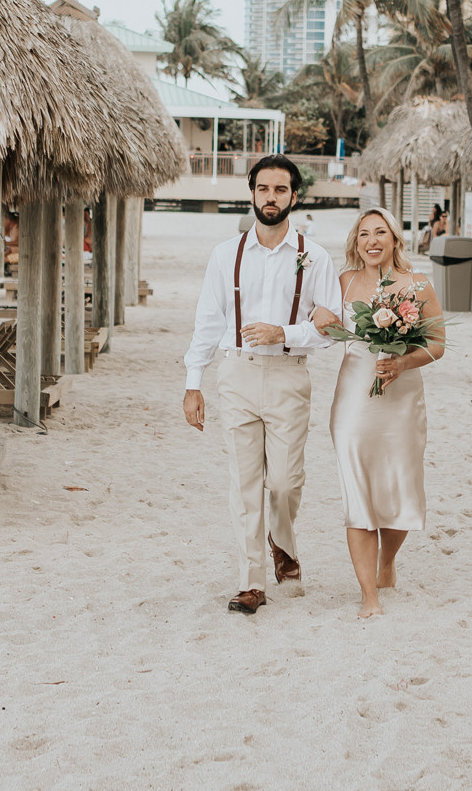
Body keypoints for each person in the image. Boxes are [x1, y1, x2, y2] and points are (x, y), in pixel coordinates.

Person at [182, 155, 345, 616]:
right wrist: (194, 383)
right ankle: (251, 580)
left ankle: (283, 539)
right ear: (251, 193)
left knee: (286, 482)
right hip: (235, 373)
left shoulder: (315, 257)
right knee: (245, 482)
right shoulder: (225, 255)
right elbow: (208, 322)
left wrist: (285, 333)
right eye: (263, 189)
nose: (270, 197)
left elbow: (332, 328)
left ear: (294, 196)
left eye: (280, 190)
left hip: (289, 376)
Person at [314, 208, 445, 618]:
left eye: (380, 233)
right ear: (356, 242)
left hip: (403, 401)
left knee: (399, 490)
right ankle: (368, 595)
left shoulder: (418, 283)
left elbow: (438, 343)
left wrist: (403, 362)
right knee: (358, 493)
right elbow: (325, 328)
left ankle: (387, 562)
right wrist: (319, 318)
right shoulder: (343, 282)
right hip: (354, 399)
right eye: (364, 234)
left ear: (394, 239)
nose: (372, 241)